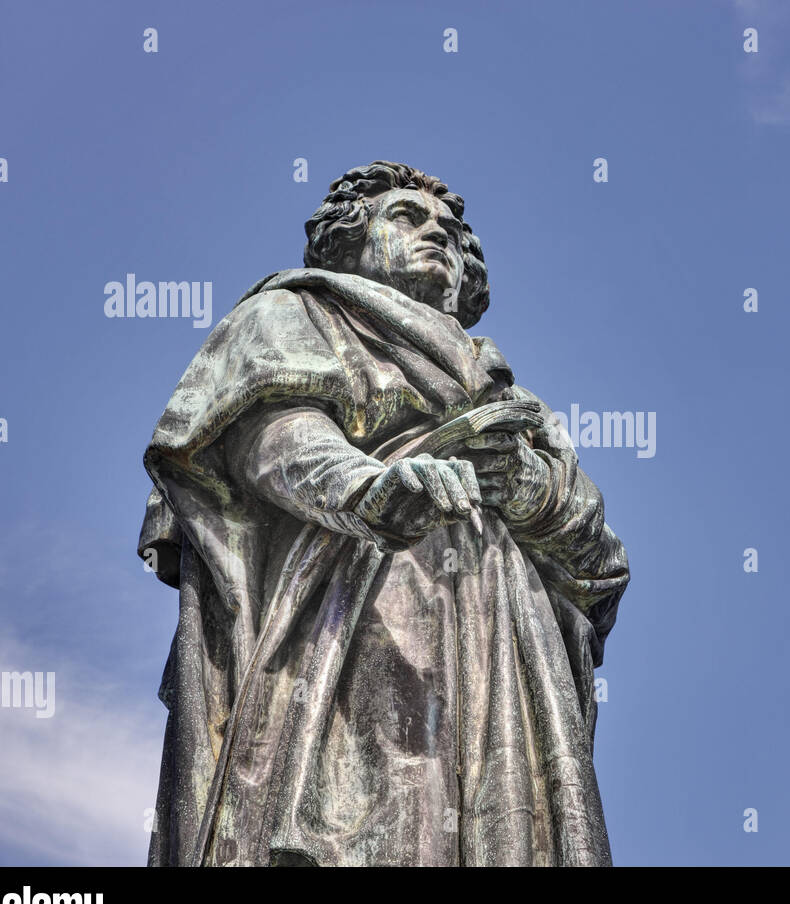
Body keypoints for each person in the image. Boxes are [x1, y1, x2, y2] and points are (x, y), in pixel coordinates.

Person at [138, 161, 629, 866]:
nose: (438, 235)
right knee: (379, 816)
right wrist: (369, 491)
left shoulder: (513, 402)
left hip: (505, 628)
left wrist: (525, 486)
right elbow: (271, 436)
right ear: (352, 240)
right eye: (407, 217)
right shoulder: (295, 313)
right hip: (364, 601)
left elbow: (599, 564)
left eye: (453, 233)